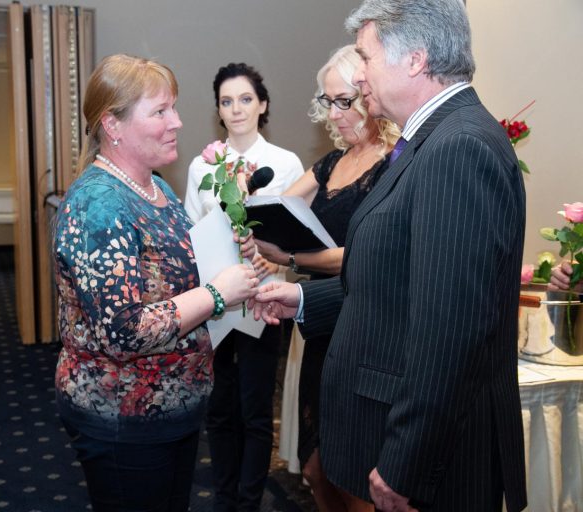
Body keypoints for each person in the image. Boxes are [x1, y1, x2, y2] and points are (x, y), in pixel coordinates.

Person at [250, 1, 528, 511]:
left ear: (415, 59)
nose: (359, 77)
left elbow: (450, 329)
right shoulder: (429, 140)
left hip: (436, 460)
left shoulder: (458, 147)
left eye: (366, 57)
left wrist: (406, 461)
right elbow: (402, 280)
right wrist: (306, 300)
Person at [54, 54, 260, 512]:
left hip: (171, 409)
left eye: (174, 108)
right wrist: (217, 294)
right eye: (160, 111)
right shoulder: (99, 206)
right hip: (124, 418)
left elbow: (175, 274)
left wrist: (232, 259)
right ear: (113, 125)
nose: (177, 122)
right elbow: (123, 331)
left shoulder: (155, 187)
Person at [254, 44, 399, 512]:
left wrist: (293, 258)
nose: (332, 114)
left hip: (363, 328)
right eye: (327, 101)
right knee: (315, 469)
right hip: (319, 328)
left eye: (342, 101)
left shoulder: (396, 163)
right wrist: (245, 214)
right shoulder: (332, 163)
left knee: (355, 479)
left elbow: (366, 256)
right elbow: (275, 210)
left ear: (369, 94)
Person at [183, 62, 303, 511]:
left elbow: (297, 235)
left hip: (262, 299)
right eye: (227, 101)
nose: (236, 109)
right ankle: (224, 498)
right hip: (214, 301)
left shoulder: (285, 164)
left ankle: (249, 502)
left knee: (255, 409)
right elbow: (192, 231)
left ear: (263, 105)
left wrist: (274, 261)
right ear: (218, 109)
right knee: (218, 408)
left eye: (246, 99)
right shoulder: (201, 166)